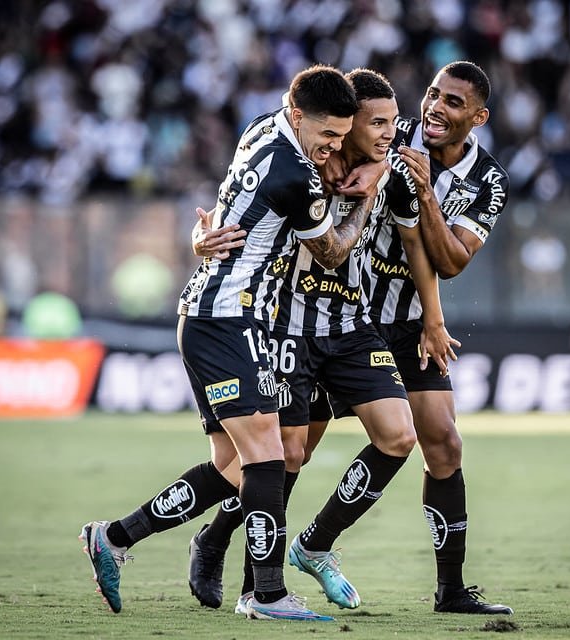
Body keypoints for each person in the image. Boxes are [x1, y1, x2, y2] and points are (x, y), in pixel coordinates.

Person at [79, 63, 388, 622]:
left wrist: (202, 236)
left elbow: (229, 215)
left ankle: (115, 537)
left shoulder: (261, 127)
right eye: (328, 137)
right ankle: (266, 594)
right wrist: (367, 194)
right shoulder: (296, 173)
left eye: (342, 138)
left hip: (218, 314)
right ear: (300, 118)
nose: (333, 148)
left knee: (231, 467)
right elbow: (334, 252)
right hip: (227, 317)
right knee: (268, 450)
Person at [187, 68, 458, 615]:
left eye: (390, 123)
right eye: (375, 124)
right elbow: (232, 210)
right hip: (285, 324)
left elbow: (415, 245)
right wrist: (199, 237)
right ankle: (228, 555)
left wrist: (433, 318)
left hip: (352, 325)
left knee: (398, 436)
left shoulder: (395, 163)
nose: (388, 132)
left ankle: (313, 543)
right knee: (285, 457)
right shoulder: (286, 145)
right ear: (344, 122)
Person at [302, 61, 514, 615]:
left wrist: (424, 197)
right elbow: (340, 159)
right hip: (346, 316)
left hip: (416, 322)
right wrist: (380, 168)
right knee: (292, 448)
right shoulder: (388, 130)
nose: (435, 109)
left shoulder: (488, 181)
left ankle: (448, 590)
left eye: (453, 103)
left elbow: (451, 260)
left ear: (479, 117)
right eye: (433, 95)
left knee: (441, 441)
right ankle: (220, 540)